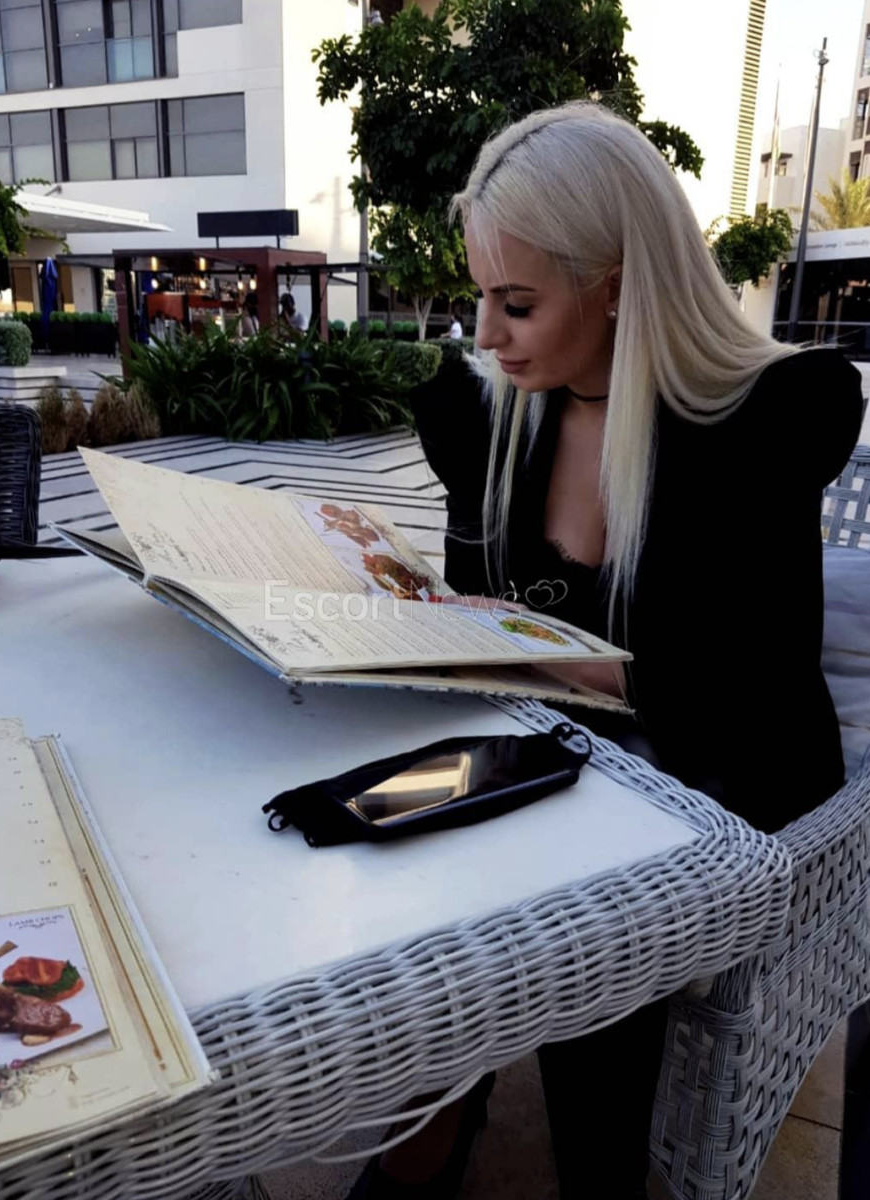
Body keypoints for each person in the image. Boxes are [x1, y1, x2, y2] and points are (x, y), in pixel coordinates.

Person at [345, 101, 863, 1200]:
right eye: (482, 298)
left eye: (516, 303)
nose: (486, 335)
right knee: (372, 830)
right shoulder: (496, 420)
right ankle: (429, 1121)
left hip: (714, 783)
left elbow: (745, 684)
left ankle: (556, 1160)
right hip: (543, 754)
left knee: (569, 914)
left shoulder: (763, 421)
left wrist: (529, 655)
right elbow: (482, 624)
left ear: (617, 285)